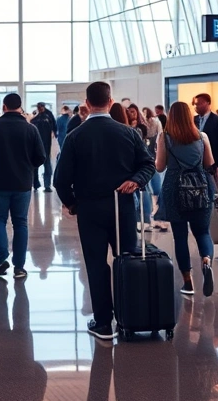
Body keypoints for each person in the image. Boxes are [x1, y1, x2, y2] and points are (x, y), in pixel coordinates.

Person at [53, 81, 155, 341]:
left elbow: (60, 179)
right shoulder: (129, 133)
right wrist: (137, 181)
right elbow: (148, 165)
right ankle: (128, 316)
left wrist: (73, 204)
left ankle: (103, 323)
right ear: (111, 102)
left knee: (97, 265)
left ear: (86, 104)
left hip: (90, 209)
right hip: (123, 207)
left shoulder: (76, 136)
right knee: (126, 261)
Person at [0, 93, 45, 280]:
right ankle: (20, 267)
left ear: (4, 106)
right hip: (22, 183)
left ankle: (2, 259)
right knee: (20, 222)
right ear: (20, 107)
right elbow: (41, 157)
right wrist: (27, 166)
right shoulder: (30, 129)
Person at [156, 102, 215, 297]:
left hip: (175, 189)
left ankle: (188, 283)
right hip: (200, 188)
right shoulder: (201, 136)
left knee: (180, 237)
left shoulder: (164, 138)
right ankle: (206, 260)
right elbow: (209, 164)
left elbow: (160, 167)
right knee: (203, 233)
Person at [193, 93, 218, 194]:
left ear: (208, 103)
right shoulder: (193, 121)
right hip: (195, 164)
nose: (197, 106)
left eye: (200, 103)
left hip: (213, 163)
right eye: (195, 104)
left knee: (214, 192)